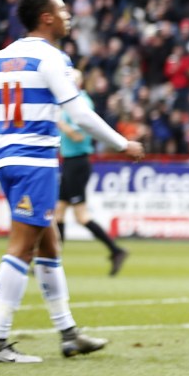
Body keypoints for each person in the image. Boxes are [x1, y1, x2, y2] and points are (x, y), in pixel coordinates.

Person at [0, 0, 145, 364]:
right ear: (46, 18)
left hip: (7, 160)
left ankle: (69, 334)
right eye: (62, 10)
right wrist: (122, 143)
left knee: (50, 243)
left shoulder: (1, 57)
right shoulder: (51, 59)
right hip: (35, 162)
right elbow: (80, 115)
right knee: (22, 247)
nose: (68, 16)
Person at [55, 68, 129, 276]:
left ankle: (116, 250)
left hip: (77, 163)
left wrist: (59, 122)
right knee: (58, 213)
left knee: (81, 216)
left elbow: (79, 137)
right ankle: (52, 261)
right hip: (70, 162)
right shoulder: (71, 103)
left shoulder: (81, 103)